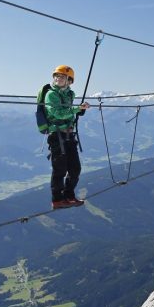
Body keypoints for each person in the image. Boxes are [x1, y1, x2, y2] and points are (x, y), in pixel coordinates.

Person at [43, 65, 90, 209]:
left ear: (69, 81)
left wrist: (79, 110)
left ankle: (69, 196)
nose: (58, 78)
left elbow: (68, 112)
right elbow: (58, 113)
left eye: (62, 77)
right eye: (56, 76)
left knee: (75, 169)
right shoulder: (51, 94)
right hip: (57, 136)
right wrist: (76, 109)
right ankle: (57, 200)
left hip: (69, 135)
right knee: (60, 170)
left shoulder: (70, 94)